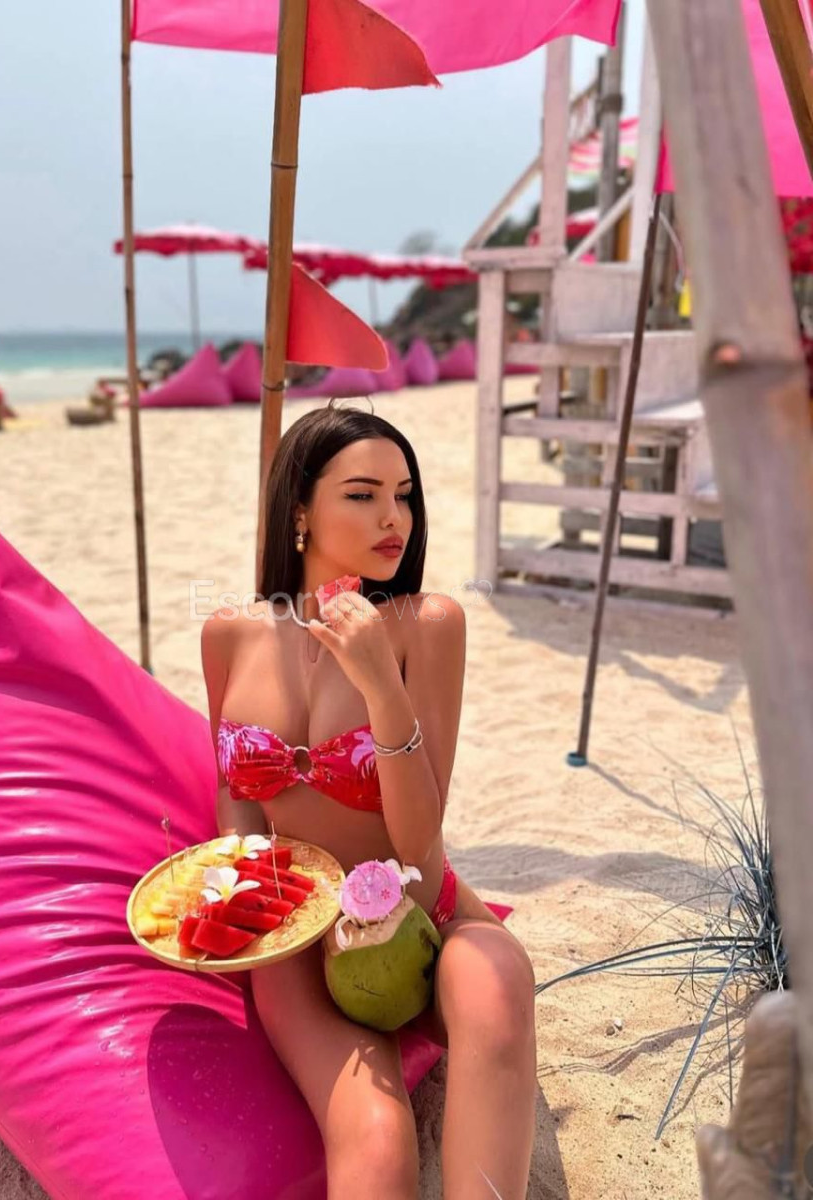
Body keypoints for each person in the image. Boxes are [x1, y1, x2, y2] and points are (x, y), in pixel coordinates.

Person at [201, 401, 536, 1199]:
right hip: (300, 936)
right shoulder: (229, 633)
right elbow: (233, 790)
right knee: (377, 1136)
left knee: (497, 978)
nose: (395, 518)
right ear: (299, 512)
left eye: (405, 496)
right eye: (363, 494)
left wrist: (383, 688)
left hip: (423, 910)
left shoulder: (428, 624)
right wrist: (243, 872)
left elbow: (418, 843)